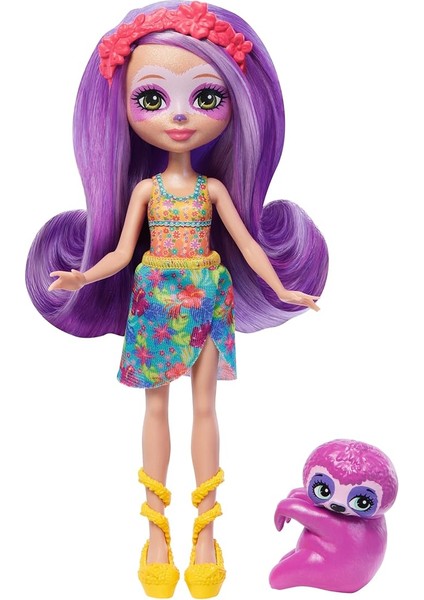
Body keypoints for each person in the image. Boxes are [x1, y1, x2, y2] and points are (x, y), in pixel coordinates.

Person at [26, 2, 328, 598]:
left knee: (206, 410)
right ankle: (157, 533)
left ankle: (207, 533)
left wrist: (281, 287)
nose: (181, 116)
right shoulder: (146, 190)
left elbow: (247, 243)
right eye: (153, 98)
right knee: (156, 411)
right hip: (156, 302)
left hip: (208, 297)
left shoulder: (213, 190)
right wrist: (83, 278)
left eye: (207, 97)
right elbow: (121, 253)